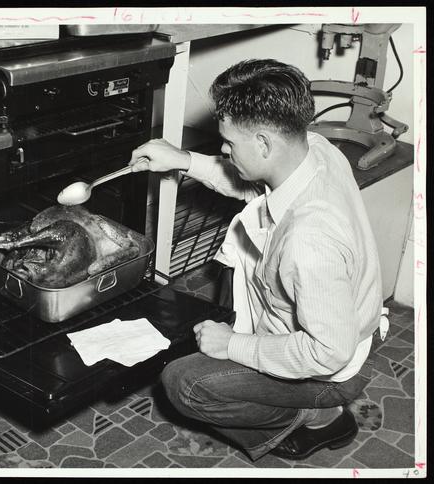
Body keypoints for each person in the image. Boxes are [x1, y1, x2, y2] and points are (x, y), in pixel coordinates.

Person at [128, 59, 385, 461]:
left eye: (229, 143)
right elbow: (256, 188)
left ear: (264, 144)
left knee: (182, 383)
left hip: (333, 368)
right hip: (350, 323)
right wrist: (182, 159)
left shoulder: (309, 240)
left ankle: (318, 417)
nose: (223, 150)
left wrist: (233, 344)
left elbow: (328, 352)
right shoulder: (315, 148)